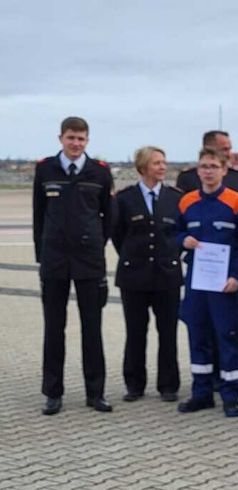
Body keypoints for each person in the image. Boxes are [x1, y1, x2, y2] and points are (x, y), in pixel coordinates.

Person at [33, 116, 114, 415]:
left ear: (87, 141)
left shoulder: (100, 172)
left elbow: (109, 216)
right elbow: (38, 215)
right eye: (71, 138)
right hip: (55, 260)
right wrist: (41, 256)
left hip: (88, 260)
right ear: (61, 139)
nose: (76, 144)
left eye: (81, 139)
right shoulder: (45, 169)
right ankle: (53, 392)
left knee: (92, 329)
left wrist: (95, 244)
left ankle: (96, 393)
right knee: (54, 329)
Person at [175, 148, 238, 417]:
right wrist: (182, 241)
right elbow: (175, 232)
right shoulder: (187, 202)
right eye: (203, 166)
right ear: (198, 170)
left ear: (223, 170)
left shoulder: (237, 202)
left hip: (225, 285)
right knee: (198, 336)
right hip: (197, 282)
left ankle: (230, 395)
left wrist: (236, 276)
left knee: (227, 337)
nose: (208, 171)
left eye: (213, 166)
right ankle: (201, 393)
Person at [111, 146, 183, 403]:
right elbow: (117, 234)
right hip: (135, 276)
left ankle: (168, 384)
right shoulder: (125, 198)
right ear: (142, 168)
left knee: (168, 332)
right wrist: (133, 256)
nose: (162, 167)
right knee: (135, 332)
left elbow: (179, 233)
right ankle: (134, 384)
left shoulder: (175, 197)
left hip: (167, 275)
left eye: (164, 163)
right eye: (156, 163)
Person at [176, 130, 238, 200]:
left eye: (229, 149)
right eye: (225, 149)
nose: (229, 154)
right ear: (208, 148)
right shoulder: (187, 179)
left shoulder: (237, 178)